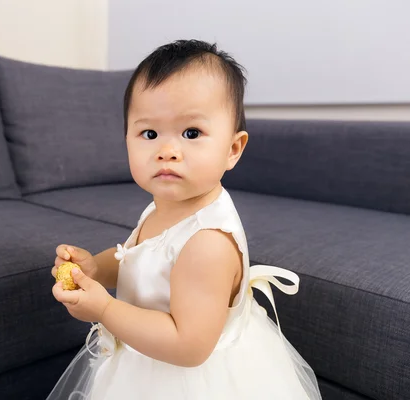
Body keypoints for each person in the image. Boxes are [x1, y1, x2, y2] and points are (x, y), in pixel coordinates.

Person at [48, 39, 322, 400]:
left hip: (188, 379)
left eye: (191, 133)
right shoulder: (163, 205)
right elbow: (143, 260)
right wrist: (95, 269)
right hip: (144, 356)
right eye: (149, 133)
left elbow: (188, 346)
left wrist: (106, 308)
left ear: (232, 149)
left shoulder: (207, 243)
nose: (167, 151)